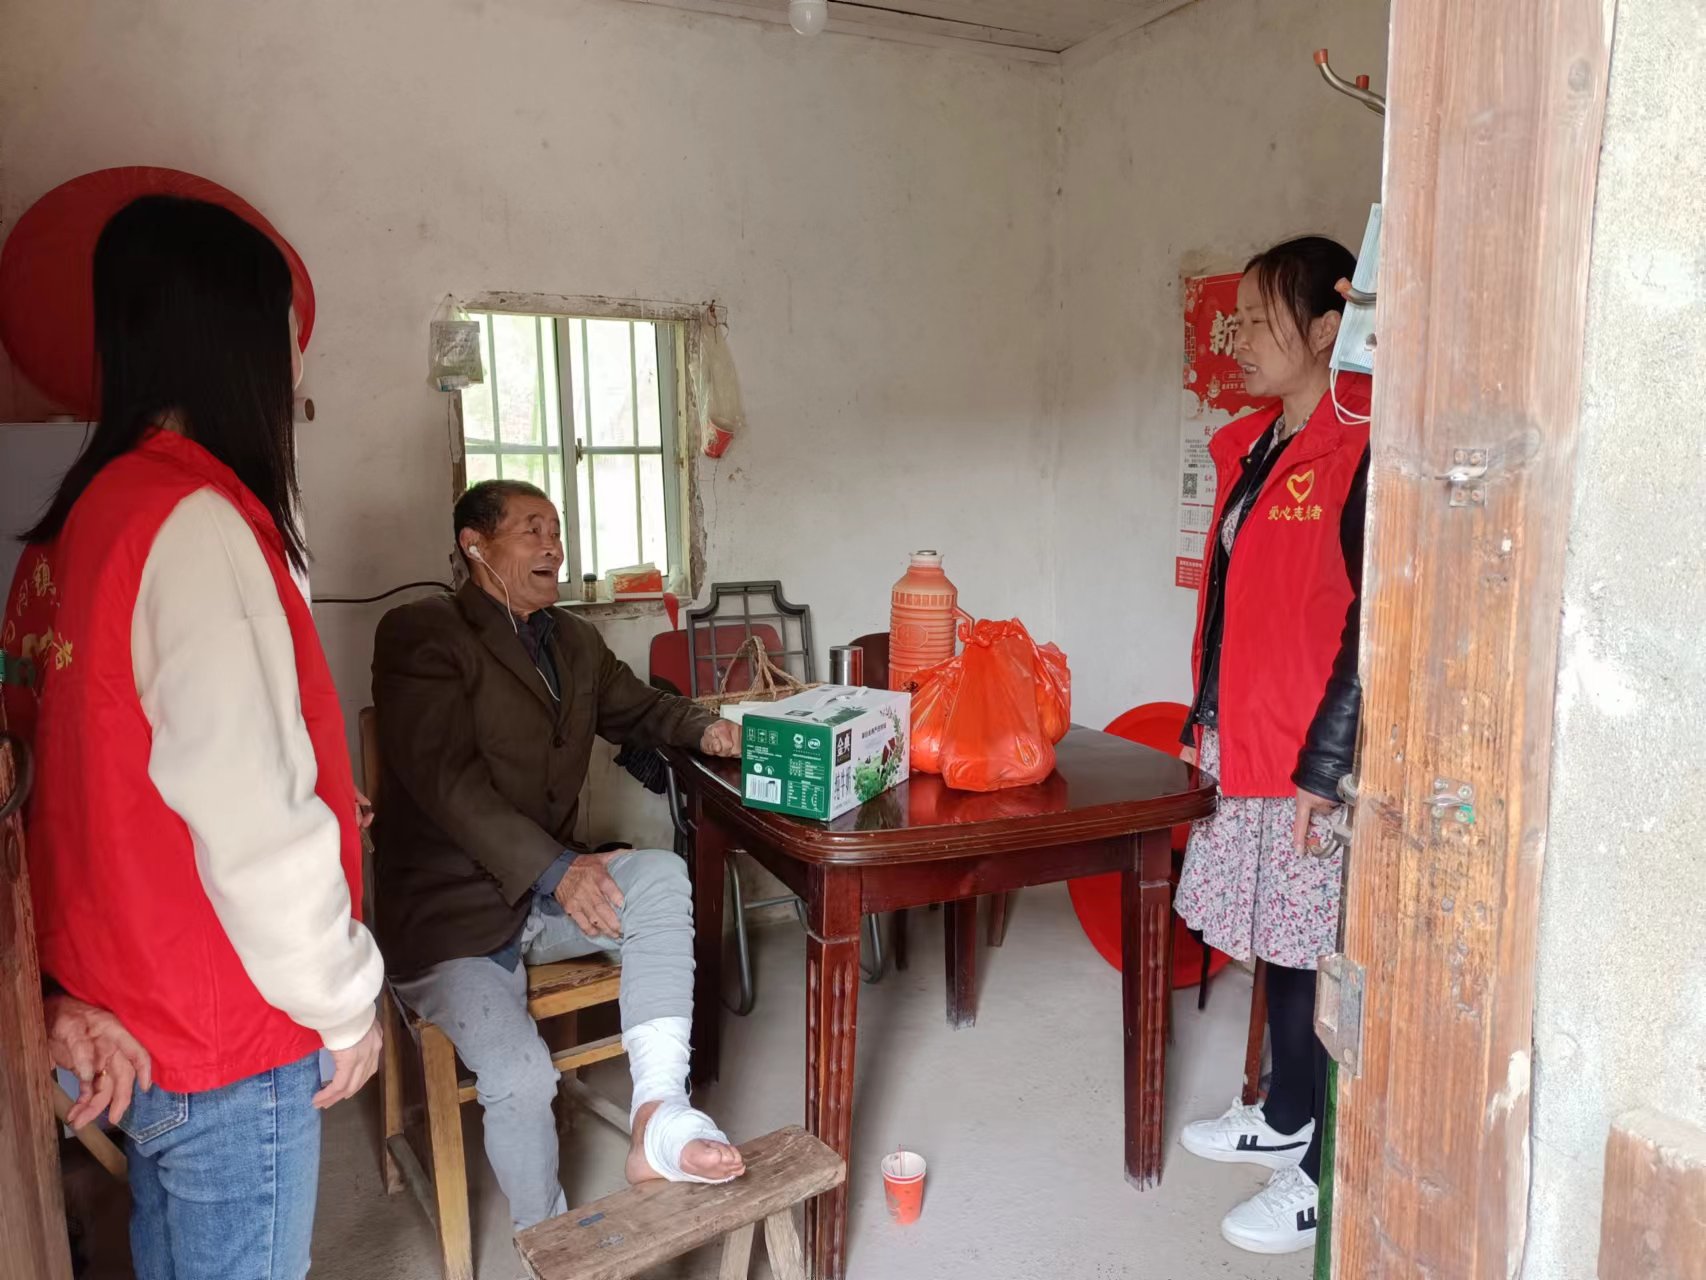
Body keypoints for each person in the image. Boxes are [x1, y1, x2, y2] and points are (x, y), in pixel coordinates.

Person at [0, 195, 384, 1279]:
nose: (294, 370)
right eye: (285, 338)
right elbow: (256, 825)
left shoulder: (78, 526)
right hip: (222, 1027)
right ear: (233, 343)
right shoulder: (194, 522)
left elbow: (87, 780)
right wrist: (344, 1000)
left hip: (120, 1008)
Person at [370, 479, 745, 1234]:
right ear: (475, 547)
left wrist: (704, 727)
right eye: (531, 530)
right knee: (521, 1077)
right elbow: (447, 783)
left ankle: (657, 1115)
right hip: (452, 913)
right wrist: (557, 870)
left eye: (557, 530)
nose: (553, 547)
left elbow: (639, 707)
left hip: (542, 893)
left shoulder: (572, 641)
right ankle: (547, 1243)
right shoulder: (421, 634)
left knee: (661, 877)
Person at [1171, 235, 1368, 1255]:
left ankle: (1324, 1170)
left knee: (1321, 952)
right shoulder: (1254, 445)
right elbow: (1230, 606)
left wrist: (1327, 763)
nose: (1235, 337)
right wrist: (1202, 720)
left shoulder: (1361, 444)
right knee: (1279, 937)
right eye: (1235, 319)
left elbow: (1370, 622)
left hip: (1307, 752)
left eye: (1257, 319)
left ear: (1328, 326)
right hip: (1245, 733)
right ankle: (1287, 1110)